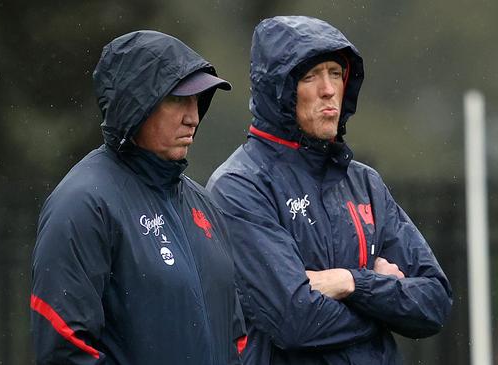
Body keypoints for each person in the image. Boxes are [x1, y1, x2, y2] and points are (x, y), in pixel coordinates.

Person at [206, 16, 453, 364]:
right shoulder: (240, 187)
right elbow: (297, 322)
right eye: (310, 76)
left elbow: (435, 303)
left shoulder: (365, 183)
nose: (328, 89)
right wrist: (386, 305)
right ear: (280, 90)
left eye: (336, 73)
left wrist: (351, 282)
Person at [30, 30, 245, 364]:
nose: (193, 116)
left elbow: (237, 338)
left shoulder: (205, 206)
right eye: (177, 99)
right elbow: (65, 347)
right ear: (136, 104)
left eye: (198, 101)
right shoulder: (84, 203)